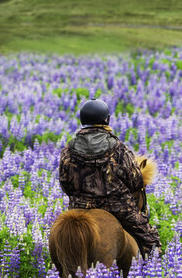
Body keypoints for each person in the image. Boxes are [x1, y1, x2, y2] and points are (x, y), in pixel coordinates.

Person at [58, 99, 161, 258]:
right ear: (106, 120)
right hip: (117, 207)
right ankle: (154, 272)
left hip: (78, 205)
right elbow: (135, 181)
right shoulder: (117, 147)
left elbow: (65, 184)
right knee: (150, 238)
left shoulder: (69, 148)